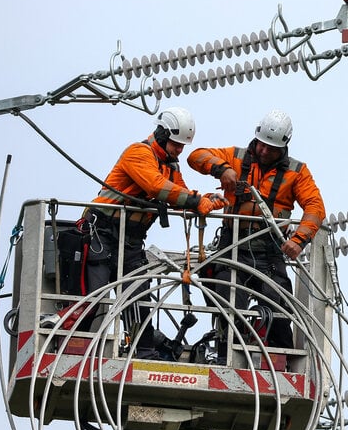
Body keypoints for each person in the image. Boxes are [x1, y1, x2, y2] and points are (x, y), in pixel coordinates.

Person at [43, 107, 226, 359]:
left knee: (139, 296)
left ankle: (145, 351)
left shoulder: (170, 165)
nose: (179, 150)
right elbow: (156, 186)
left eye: (183, 146)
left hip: (131, 240)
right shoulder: (138, 152)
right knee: (93, 296)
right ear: (162, 134)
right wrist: (195, 200)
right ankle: (70, 345)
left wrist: (203, 198)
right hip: (103, 233)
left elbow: (178, 193)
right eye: (176, 144)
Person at [187, 108, 326, 362]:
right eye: (262, 146)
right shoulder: (236, 158)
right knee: (228, 302)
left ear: (283, 147)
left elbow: (315, 208)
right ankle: (226, 356)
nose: (263, 152)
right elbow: (196, 157)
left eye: (270, 149)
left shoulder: (297, 172)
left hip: (270, 252)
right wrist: (221, 169)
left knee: (278, 306)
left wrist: (298, 240)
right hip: (233, 247)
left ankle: (279, 360)